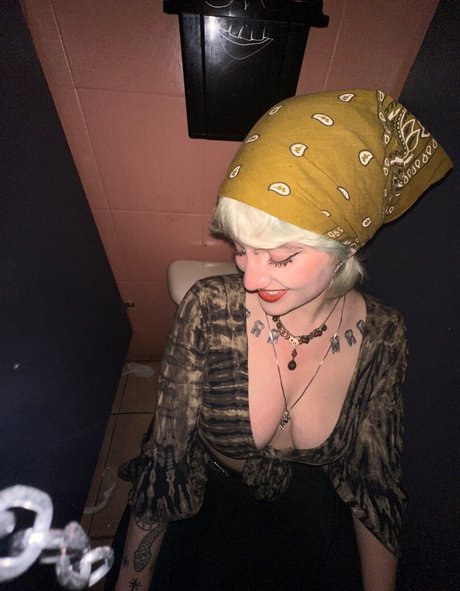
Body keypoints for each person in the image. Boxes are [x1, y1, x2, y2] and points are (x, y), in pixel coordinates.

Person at [108, 89, 452, 591]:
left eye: (281, 257)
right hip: (206, 506)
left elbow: (373, 483)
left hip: (308, 512)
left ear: (346, 246)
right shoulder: (208, 310)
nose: (249, 278)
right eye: (241, 249)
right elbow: (168, 461)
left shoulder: (384, 335)